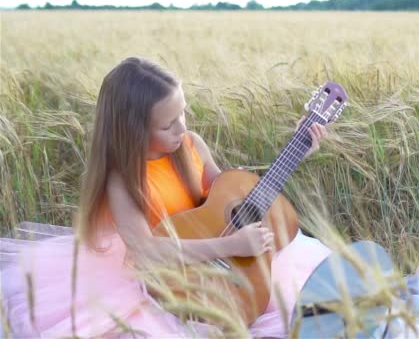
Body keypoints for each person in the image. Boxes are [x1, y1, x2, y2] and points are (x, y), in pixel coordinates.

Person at [1, 56, 332, 338]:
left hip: (224, 260)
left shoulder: (191, 145)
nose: (180, 128)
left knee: (302, 300)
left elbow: (231, 196)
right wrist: (230, 246)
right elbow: (146, 252)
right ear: (131, 129)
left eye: (182, 114)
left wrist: (299, 148)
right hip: (163, 278)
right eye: (167, 124)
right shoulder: (123, 180)